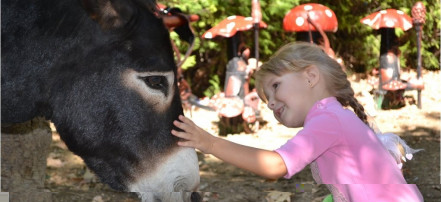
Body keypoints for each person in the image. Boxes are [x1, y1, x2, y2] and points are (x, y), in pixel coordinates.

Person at [171, 42, 423, 201]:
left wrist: (209, 143)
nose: (270, 103)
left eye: (275, 86)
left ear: (310, 76)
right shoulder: (333, 117)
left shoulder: (328, 119)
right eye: (266, 98)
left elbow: (275, 166)